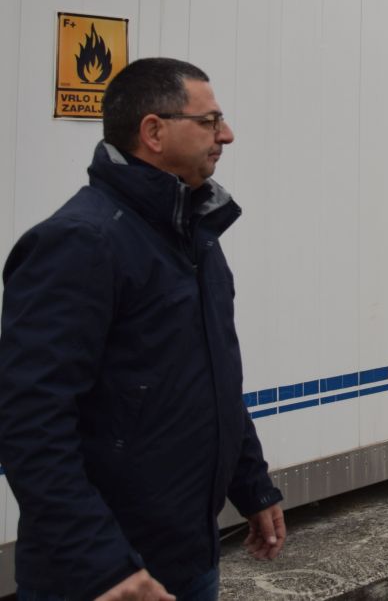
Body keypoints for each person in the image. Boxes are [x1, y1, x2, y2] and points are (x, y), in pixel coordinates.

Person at [0, 58, 286, 601]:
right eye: (209, 121)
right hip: (105, 578)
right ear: (153, 131)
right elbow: (31, 424)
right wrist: (102, 564)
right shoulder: (81, 242)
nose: (226, 134)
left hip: (188, 555)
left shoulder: (195, 235)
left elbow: (214, 377)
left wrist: (251, 485)